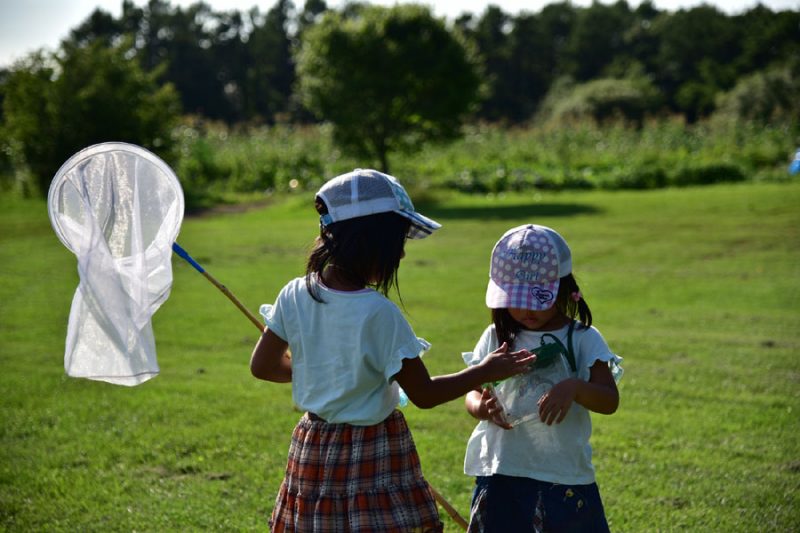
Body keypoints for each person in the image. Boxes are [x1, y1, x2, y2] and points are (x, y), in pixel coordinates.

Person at [250, 169, 535, 532]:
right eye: (397, 240)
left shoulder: (294, 293)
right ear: (369, 241)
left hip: (314, 444)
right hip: (373, 447)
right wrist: (485, 370)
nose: (401, 253)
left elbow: (263, 366)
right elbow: (425, 394)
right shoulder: (379, 313)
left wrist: (322, 370)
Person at [462, 224, 623, 532]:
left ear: (564, 289)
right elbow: (473, 391)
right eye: (516, 299)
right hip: (501, 473)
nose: (525, 310)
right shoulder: (497, 336)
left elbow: (609, 399)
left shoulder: (582, 338)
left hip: (562, 479)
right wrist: (482, 407)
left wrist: (575, 388)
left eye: (537, 298)